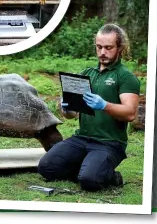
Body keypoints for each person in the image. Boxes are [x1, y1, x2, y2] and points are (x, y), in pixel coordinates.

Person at [38, 23, 140, 191]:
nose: (102, 53)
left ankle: (111, 176)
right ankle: (90, 167)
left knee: (89, 182)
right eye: (99, 47)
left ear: (120, 48)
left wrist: (104, 105)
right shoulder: (87, 74)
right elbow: (71, 115)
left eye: (108, 48)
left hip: (109, 143)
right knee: (46, 167)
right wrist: (67, 107)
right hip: (82, 138)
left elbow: (130, 114)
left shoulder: (125, 77)